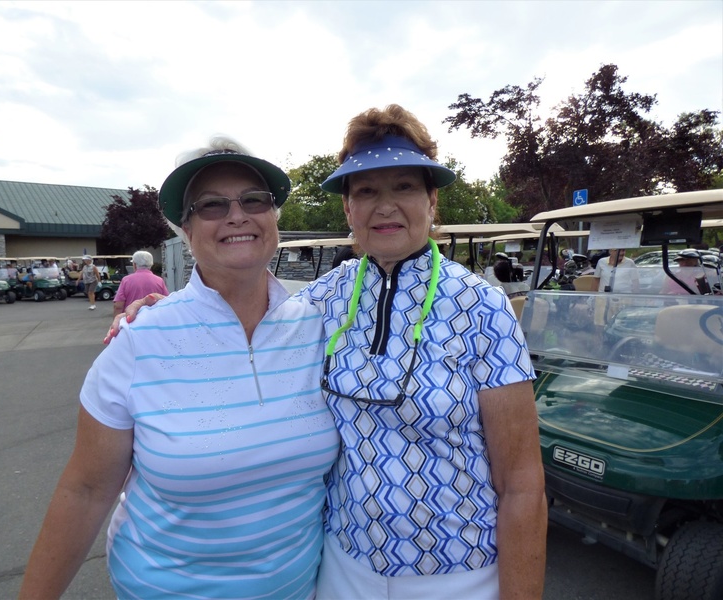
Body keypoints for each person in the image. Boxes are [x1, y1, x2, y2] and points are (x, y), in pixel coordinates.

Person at [114, 106, 548, 599]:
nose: (385, 206)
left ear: (431, 201)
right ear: (348, 209)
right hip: (342, 568)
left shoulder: (483, 308)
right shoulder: (324, 299)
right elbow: (246, 310)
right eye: (366, 191)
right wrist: (165, 309)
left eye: (404, 186)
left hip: (459, 575)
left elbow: (522, 484)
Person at [18, 138, 339, 600]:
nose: (237, 215)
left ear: (273, 217)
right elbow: (86, 490)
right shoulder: (139, 341)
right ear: (185, 230)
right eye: (211, 205)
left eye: (254, 200)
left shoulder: (323, 325)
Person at [111, 250, 168, 319]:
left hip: (131, 320)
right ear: (151, 265)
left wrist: (116, 321)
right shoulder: (159, 280)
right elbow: (166, 302)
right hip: (153, 319)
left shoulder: (126, 280)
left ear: (134, 265)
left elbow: (118, 306)